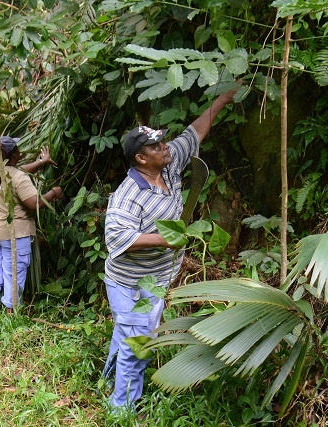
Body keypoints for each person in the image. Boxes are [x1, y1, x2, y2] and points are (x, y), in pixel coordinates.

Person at [102, 89, 238, 411]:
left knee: (130, 333)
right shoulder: (127, 195)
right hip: (127, 281)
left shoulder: (170, 164)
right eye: (156, 146)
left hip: (159, 276)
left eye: (163, 142)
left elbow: (195, 132)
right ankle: (121, 409)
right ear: (141, 158)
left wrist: (223, 100)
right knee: (140, 342)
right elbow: (117, 238)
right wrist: (164, 239)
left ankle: (109, 378)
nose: (165, 147)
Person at [0, 135, 62, 313]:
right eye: (17, 149)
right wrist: (53, 193)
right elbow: (34, 203)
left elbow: (20, 171)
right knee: (14, 275)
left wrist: (41, 162)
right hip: (13, 233)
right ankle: (11, 317)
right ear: (13, 154)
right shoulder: (18, 177)